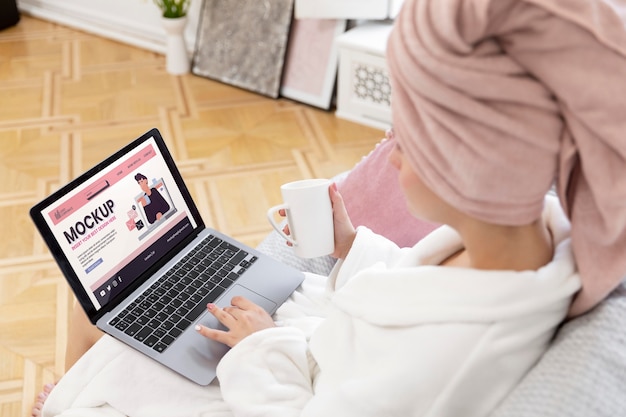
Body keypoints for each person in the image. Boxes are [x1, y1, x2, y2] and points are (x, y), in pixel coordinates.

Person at [33, 0, 626, 416]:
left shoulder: (455, 353)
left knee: (98, 316)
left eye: (406, 138)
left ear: (467, 164)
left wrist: (259, 346)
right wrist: (352, 246)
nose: (388, 153)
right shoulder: (526, 244)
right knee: (126, 305)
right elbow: (408, 287)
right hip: (308, 345)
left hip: (276, 382)